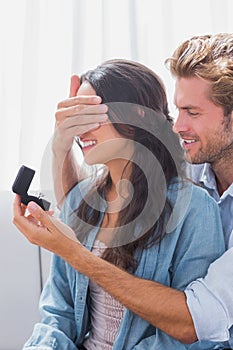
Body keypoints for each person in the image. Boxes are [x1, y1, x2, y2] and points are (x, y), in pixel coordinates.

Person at [13, 59, 225, 349]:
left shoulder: (194, 208)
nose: (80, 129)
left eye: (91, 114)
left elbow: (187, 337)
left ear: (137, 117)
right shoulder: (80, 200)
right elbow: (57, 316)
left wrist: (74, 253)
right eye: (76, 116)